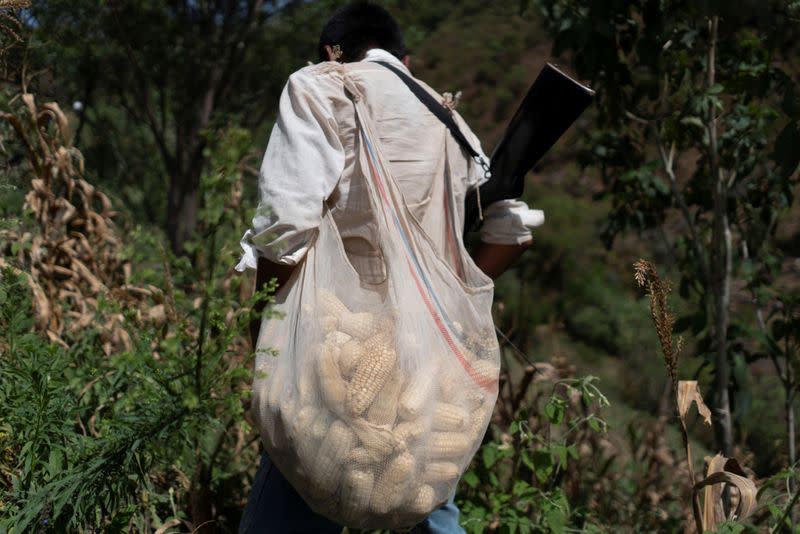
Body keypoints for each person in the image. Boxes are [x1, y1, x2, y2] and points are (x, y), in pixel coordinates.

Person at [235, 3, 543, 532]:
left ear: (331, 51)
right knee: (424, 479)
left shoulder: (321, 87)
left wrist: (263, 324)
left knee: (300, 477)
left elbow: (285, 230)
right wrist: (444, 295)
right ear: (406, 58)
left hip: (334, 343)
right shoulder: (451, 122)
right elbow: (512, 231)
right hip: (429, 357)